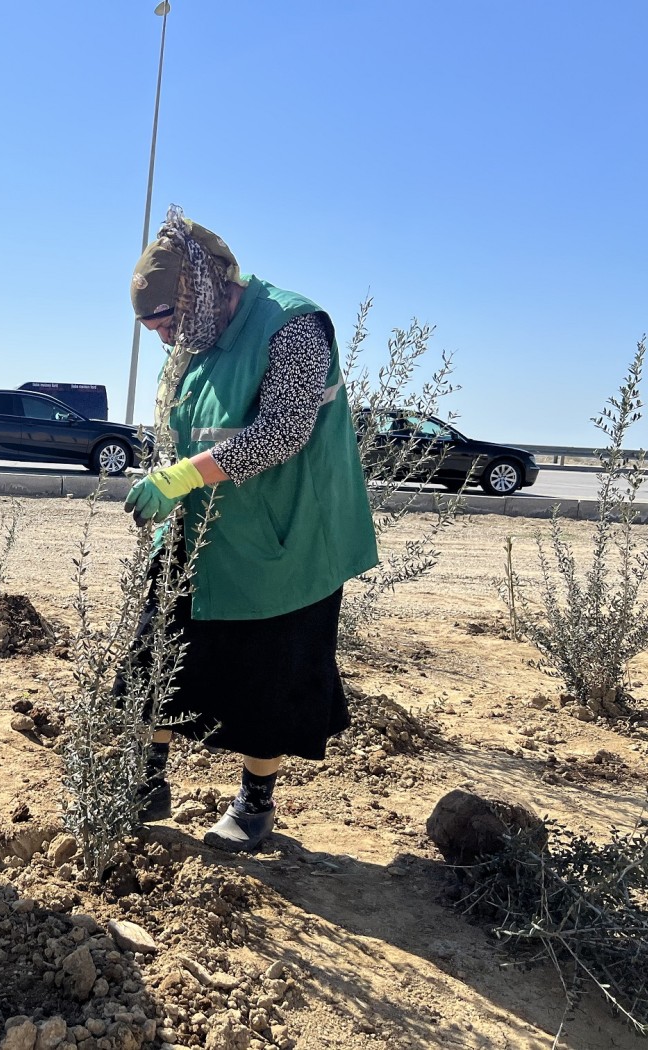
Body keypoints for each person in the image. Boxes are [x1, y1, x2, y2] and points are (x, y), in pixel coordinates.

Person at [123, 208, 378, 852]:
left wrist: (179, 480)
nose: (161, 337)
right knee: (157, 647)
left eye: (166, 321)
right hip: (201, 531)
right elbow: (181, 431)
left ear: (202, 289)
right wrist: (165, 489)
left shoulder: (293, 327)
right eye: (149, 326)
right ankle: (148, 777)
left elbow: (282, 432)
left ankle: (255, 804)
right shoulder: (193, 344)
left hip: (284, 537)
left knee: (269, 671)